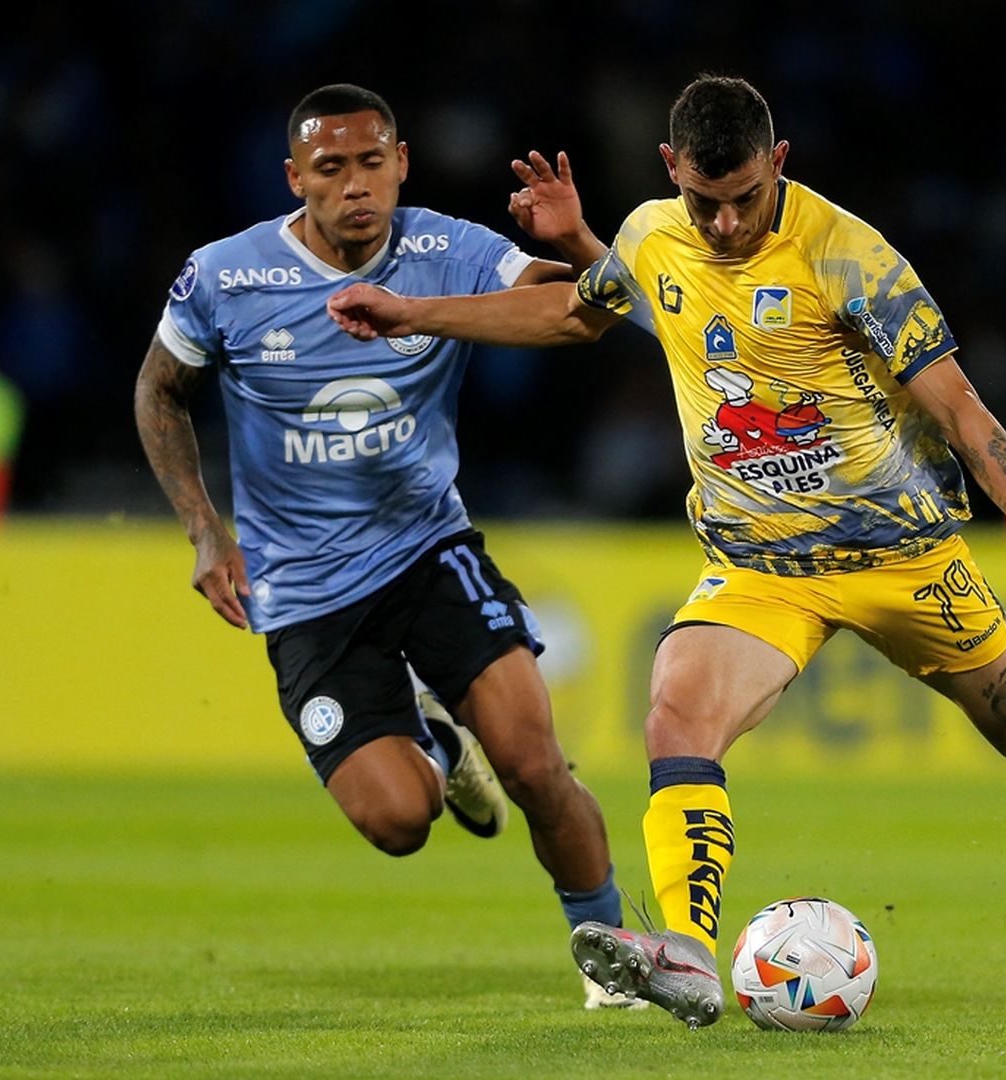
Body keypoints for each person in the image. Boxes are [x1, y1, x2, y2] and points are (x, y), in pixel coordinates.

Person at [326, 75, 1006, 1029]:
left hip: (901, 558)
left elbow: (956, 403)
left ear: (779, 164)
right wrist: (414, 314)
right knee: (675, 717)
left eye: (744, 199)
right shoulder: (649, 233)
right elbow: (576, 314)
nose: (721, 224)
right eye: (702, 201)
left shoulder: (849, 255)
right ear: (671, 169)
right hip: (761, 570)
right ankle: (688, 953)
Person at [133, 83, 645, 1011]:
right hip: (304, 598)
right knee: (398, 822)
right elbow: (159, 390)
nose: (356, 186)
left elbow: (589, 312)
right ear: (296, 179)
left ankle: (613, 957)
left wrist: (575, 243)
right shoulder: (226, 277)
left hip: (429, 552)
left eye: (373, 163)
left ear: (402, 162)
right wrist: (206, 531)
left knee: (536, 766)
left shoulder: (451, 251)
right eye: (331, 169)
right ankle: (438, 753)